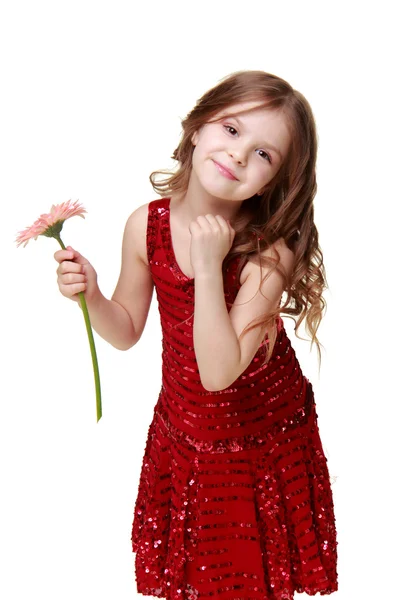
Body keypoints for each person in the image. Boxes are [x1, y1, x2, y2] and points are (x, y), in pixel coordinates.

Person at [54, 70, 338, 600]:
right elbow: (126, 330)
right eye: (231, 131)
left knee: (250, 582)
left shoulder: (267, 251)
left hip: (256, 438)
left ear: (273, 183)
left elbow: (218, 371)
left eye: (263, 155)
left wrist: (209, 269)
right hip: (187, 432)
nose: (237, 155)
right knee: (196, 581)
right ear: (199, 125)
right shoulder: (147, 225)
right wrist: (91, 296)